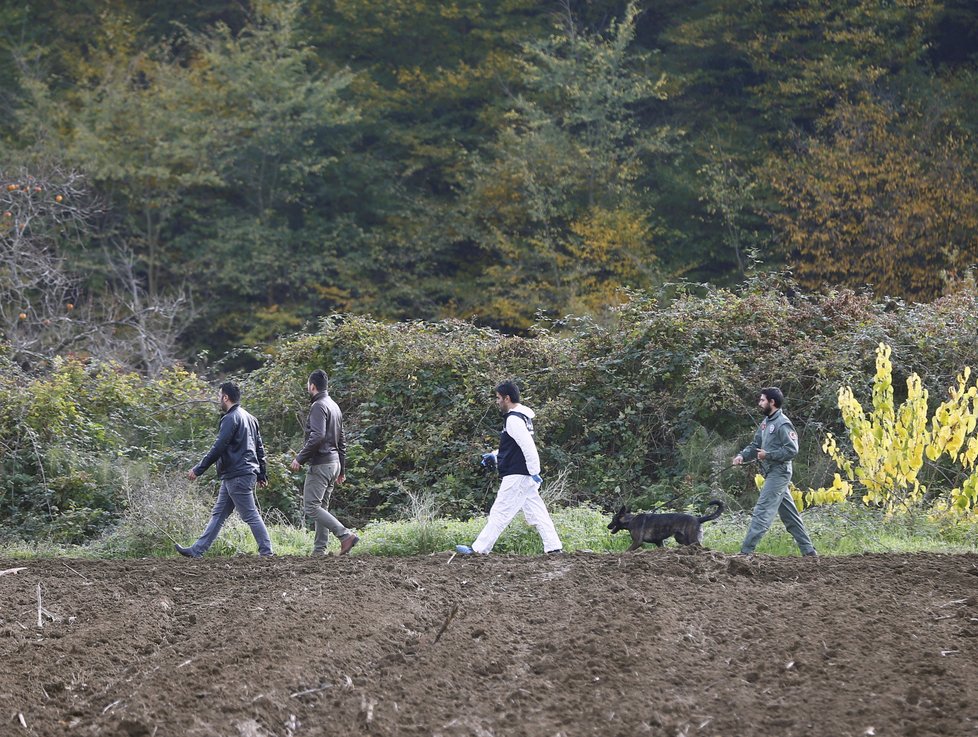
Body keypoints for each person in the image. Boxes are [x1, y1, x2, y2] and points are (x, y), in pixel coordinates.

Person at [456, 381, 563, 555]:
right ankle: (553, 547)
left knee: (500, 511)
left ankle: (479, 549)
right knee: (537, 512)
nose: (497, 402)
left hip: (517, 475)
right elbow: (514, 447)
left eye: (498, 398)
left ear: (507, 398)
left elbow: (528, 447)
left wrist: (535, 471)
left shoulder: (513, 419)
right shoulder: (520, 418)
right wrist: (495, 455)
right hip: (523, 474)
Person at [176, 382, 274, 558]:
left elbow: (219, 447)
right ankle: (197, 550)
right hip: (238, 474)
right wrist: (261, 473)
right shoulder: (251, 418)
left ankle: (266, 552)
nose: (218, 398)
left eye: (219, 395)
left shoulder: (230, 418)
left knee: (250, 515)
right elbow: (259, 449)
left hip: (237, 474)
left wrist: (199, 469)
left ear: (225, 397)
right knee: (219, 514)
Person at [732, 387, 817, 557]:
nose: (759, 403)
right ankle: (809, 552)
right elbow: (755, 444)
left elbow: (792, 450)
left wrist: (768, 455)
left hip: (780, 473)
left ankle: (745, 553)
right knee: (790, 517)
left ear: (772, 402)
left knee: (762, 510)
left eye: (762, 400)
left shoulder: (782, 423)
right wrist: (741, 456)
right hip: (771, 472)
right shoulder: (766, 423)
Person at [290, 370, 359, 556]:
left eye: (307, 385)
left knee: (311, 507)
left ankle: (345, 535)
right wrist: (342, 469)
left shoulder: (318, 406)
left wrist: (300, 458)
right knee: (321, 507)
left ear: (312, 386)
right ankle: (319, 550)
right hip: (334, 464)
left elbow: (318, 436)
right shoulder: (334, 406)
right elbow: (342, 440)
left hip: (321, 464)